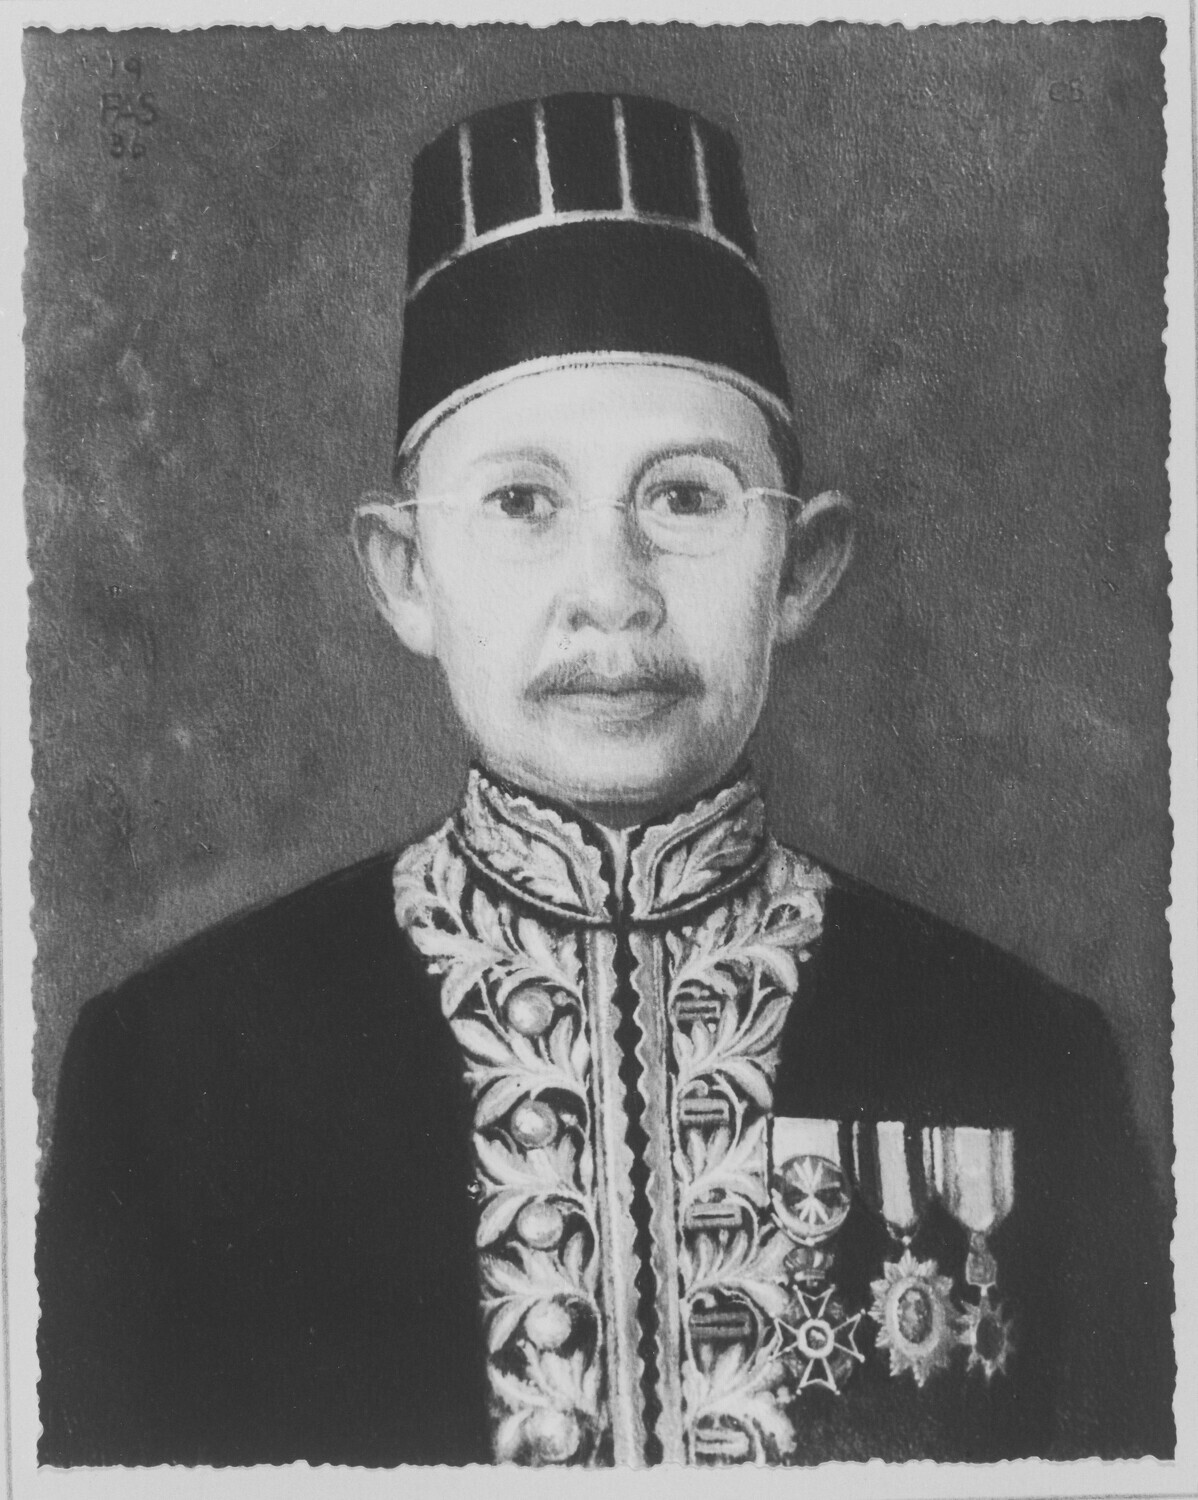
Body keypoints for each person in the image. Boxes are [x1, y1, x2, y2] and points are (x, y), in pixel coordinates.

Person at [36, 90, 1174, 1468]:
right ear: (405, 573)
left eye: (685, 497)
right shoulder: (175, 1077)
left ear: (802, 566)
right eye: (522, 503)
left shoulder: (1025, 1060)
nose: (611, 593)